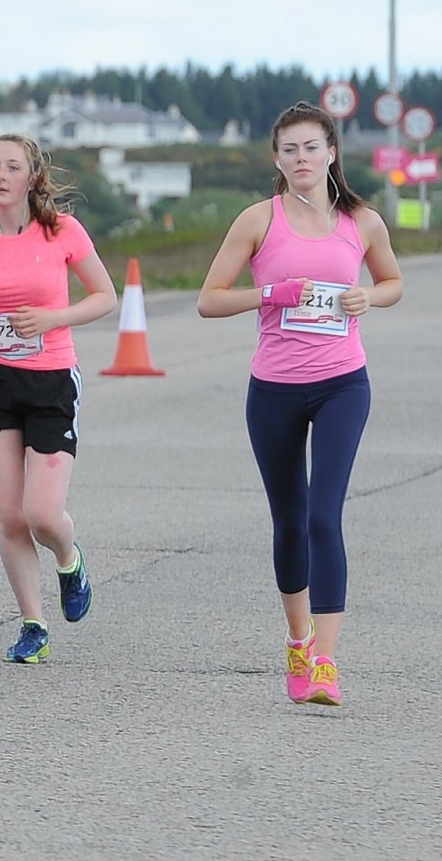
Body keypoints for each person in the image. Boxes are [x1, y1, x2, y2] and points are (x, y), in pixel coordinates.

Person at [197, 101, 402, 707]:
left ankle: (327, 665)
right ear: (277, 160)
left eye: (312, 147)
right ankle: (298, 639)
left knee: (322, 516)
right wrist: (271, 294)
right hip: (275, 389)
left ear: (332, 152)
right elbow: (209, 300)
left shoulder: (361, 222)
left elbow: (392, 282)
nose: (302, 159)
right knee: (289, 523)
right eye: (290, 150)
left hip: (343, 383)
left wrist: (369, 296)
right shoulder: (259, 220)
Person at [0, 133, 116, 664]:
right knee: (10, 516)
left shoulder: (61, 230)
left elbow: (106, 296)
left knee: (42, 513)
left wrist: (52, 319)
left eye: (11, 167)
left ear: (32, 177)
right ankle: (33, 624)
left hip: (51, 380)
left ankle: (69, 557)